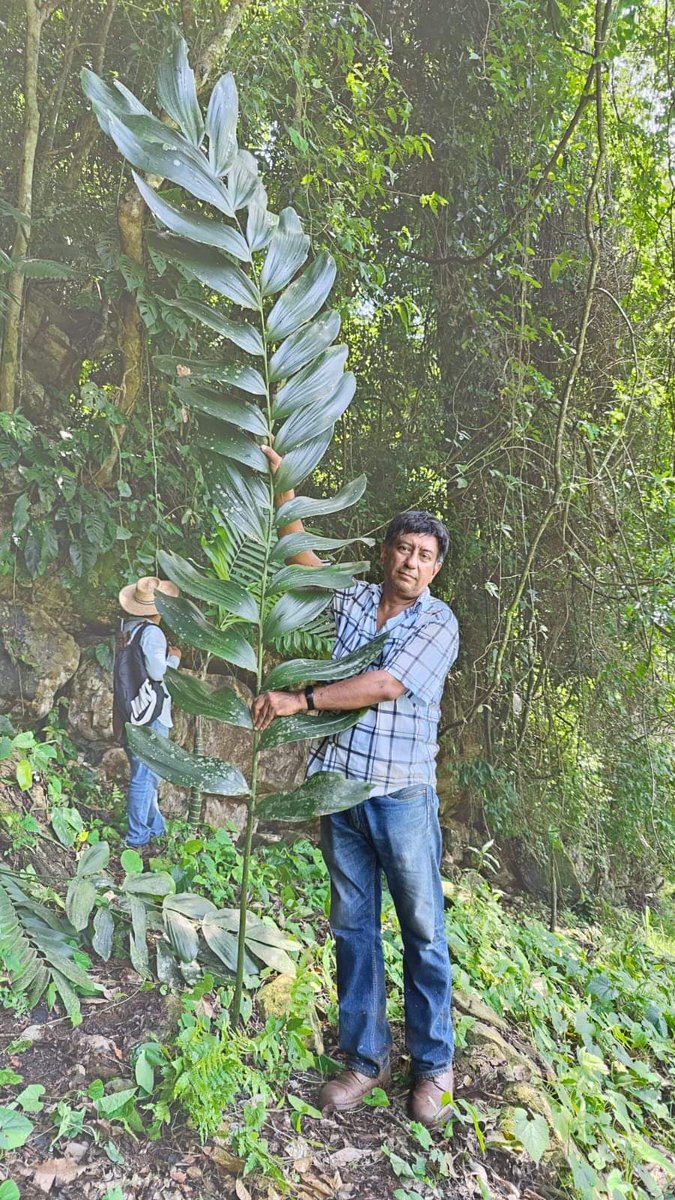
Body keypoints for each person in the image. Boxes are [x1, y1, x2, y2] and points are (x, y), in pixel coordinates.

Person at [253, 448, 460, 1127]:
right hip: (337, 792)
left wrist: (301, 698)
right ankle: (364, 1062)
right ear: (386, 552)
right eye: (403, 549)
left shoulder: (436, 622)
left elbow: (384, 685)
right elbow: (303, 561)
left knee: (422, 931)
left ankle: (433, 1068)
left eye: (424, 555)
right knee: (352, 929)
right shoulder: (355, 598)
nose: (410, 563)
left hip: (400, 796)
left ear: (435, 566)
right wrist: (283, 488)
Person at [117, 576, 181, 851]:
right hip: (152, 714)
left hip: (132, 710)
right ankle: (137, 840)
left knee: (146, 773)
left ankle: (157, 830)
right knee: (145, 775)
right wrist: (174, 658)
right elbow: (157, 672)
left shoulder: (127, 629)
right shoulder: (152, 633)